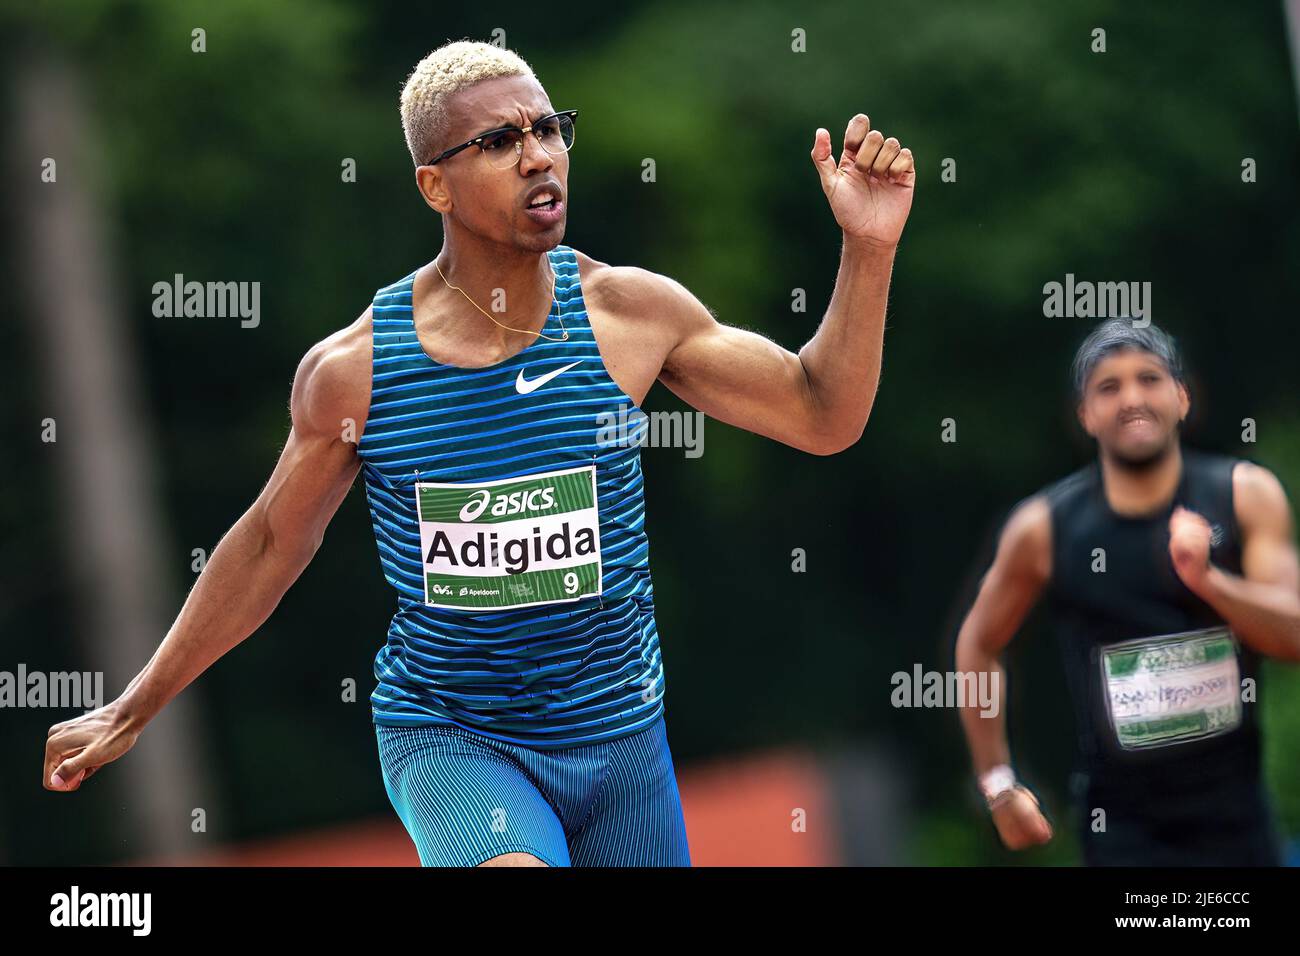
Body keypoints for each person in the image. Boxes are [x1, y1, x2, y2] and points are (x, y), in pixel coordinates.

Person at [43, 40, 916, 867]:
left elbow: (821, 413)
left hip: (619, 737)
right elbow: (271, 543)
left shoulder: (630, 316)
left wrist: (867, 250)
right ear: (435, 186)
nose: (538, 156)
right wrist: (133, 705)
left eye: (547, 129)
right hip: (456, 735)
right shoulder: (356, 372)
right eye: (499, 141)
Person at [955, 318, 1300, 865]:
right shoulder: (1044, 529)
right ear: (1085, 415)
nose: (1132, 398)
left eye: (1149, 379)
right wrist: (999, 786)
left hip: (1238, 824)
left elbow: (1294, 635)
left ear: (1182, 398)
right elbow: (979, 644)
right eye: (1108, 387)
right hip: (1122, 832)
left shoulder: (1243, 496)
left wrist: (1208, 581)